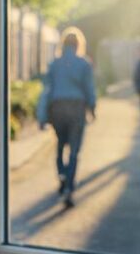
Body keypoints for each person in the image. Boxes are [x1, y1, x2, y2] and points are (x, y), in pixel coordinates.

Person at [36, 28, 96, 208]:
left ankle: (62, 174)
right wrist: (92, 108)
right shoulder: (84, 64)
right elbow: (89, 88)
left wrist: (42, 115)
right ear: (78, 45)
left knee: (60, 144)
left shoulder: (54, 64)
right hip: (76, 107)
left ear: (63, 44)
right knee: (75, 150)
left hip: (57, 107)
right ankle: (69, 186)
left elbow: (47, 90)